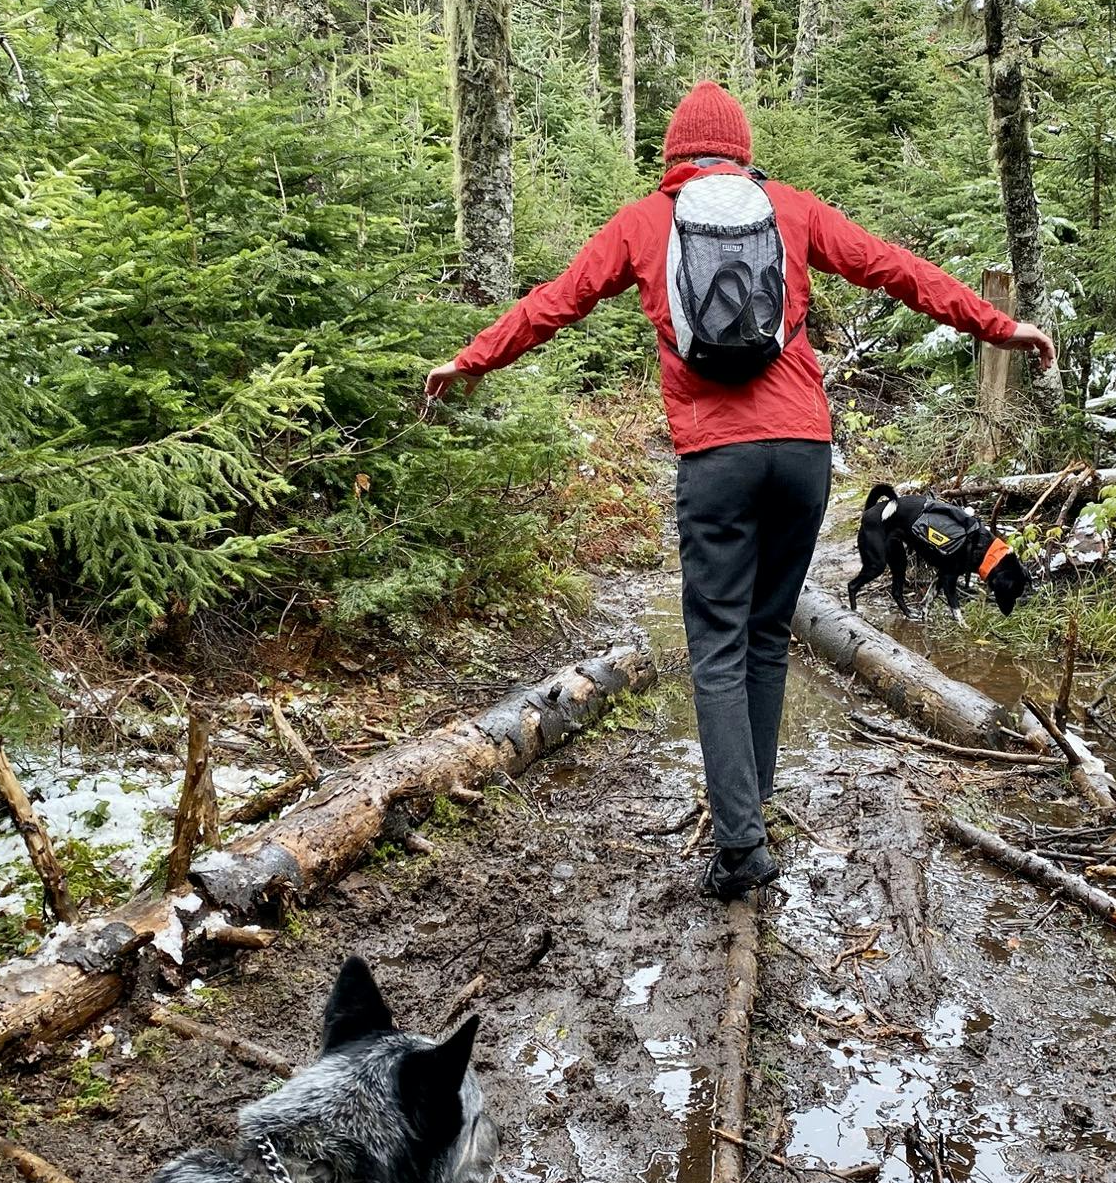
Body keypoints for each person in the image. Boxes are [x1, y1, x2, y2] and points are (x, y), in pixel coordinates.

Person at [426, 81, 1055, 899]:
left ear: (673, 156)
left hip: (717, 459)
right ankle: (749, 811)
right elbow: (896, 269)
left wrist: (469, 359)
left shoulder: (645, 222)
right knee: (764, 634)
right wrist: (1000, 325)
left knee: (717, 643)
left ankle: (740, 846)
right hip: (802, 452)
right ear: (742, 150)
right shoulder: (789, 209)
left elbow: (554, 304)